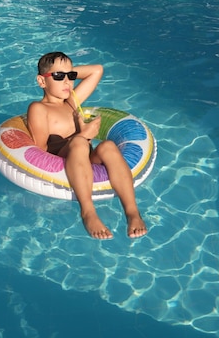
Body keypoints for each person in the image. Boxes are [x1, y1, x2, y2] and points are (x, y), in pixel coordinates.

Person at [26, 52, 147, 239]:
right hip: (63, 161)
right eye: (59, 76)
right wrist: (83, 135)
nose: (67, 82)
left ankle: (132, 212)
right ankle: (88, 212)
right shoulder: (38, 108)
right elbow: (39, 150)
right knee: (80, 142)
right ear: (42, 82)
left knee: (107, 146)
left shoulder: (72, 104)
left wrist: (64, 72)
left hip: (84, 158)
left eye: (71, 76)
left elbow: (97, 70)